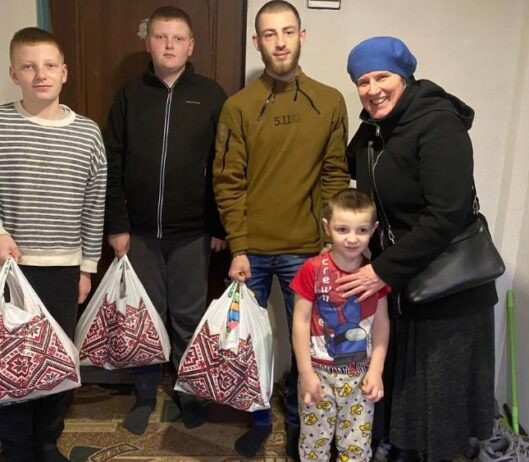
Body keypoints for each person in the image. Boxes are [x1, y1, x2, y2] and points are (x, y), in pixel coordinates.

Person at [338, 36, 497, 462]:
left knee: (440, 407)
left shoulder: (438, 124)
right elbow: (353, 182)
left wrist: (380, 270)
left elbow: (447, 214)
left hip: (448, 291)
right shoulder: (373, 132)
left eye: (383, 77)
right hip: (405, 285)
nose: (373, 89)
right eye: (363, 81)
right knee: (407, 399)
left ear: (405, 77)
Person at [213, 1, 350, 458]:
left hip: (306, 249)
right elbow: (228, 181)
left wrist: (331, 244)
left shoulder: (329, 100)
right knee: (250, 343)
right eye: (270, 34)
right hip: (250, 250)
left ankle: (299, 421)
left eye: (287, 32)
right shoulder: (238, 106)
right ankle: (257, 418)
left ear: (301, 36)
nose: (280, 42)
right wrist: (238, 246)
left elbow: (335, 175)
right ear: (257, 42)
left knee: (309, 344)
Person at [105, 6, 227, 435]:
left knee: (189, 315)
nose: (169, 45)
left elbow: (224, 164)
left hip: (193, 232)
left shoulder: (211, 95)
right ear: (148, 42)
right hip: (138, 233)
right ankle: (143, 393)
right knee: (143, 314)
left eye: (177, 38)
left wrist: (219, 226)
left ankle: (187, 391)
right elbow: (112, 162)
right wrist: (116, 224)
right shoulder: (129, 95)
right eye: (161, 37)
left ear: (190, 46)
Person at [0, 27, 107, 462]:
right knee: (12, 357)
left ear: (64, 72)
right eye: (28, 66)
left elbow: (94, 204)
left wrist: (87, 268)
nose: (39, 74)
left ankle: (47, 440)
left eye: (48, 66)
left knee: (57, 358)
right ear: (14, 73)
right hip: (10, 269)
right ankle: (15, 444)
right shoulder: (2, 125)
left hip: (63, 269)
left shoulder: (87, 133)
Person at [291, 189, 389, 462]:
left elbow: (382, 324)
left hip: (360, 376)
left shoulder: (375, 275)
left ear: (373, 230)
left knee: (356, 448)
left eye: (362, 230)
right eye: (342, 229)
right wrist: (305, 372)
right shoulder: (312, 269)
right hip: (318, 373)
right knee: (314, 446)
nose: (352, 238)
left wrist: (376, 370)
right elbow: (300, 322)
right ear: (327, 227)